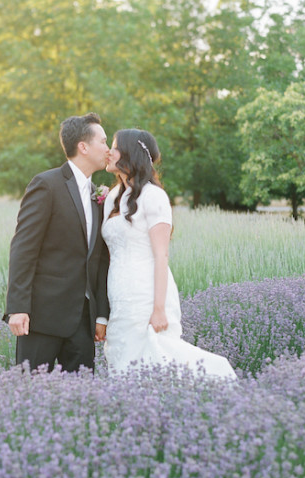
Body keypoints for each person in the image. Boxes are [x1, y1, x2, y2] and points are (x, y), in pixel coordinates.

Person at [102, 128, 237, 379]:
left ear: (130, 154)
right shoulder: (111, 199)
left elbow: (161, 256)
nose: (109, 152)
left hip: (147, 294)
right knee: (124, 359)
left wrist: (159, 308)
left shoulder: (154, 197)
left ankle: (216, 383)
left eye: (115, 146)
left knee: (155, 358)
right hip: (119, 296)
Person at [4, 113, 110, 372]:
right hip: (42, 318)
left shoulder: (100, 195)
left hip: (82, 323)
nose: (109, 149)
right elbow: (24, 248)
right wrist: (17, 308)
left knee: (80, 400)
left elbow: (99, 260)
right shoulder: (46, 185)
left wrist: (100, 314)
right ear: (83, 147)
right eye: (104, 142)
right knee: (31, 394)